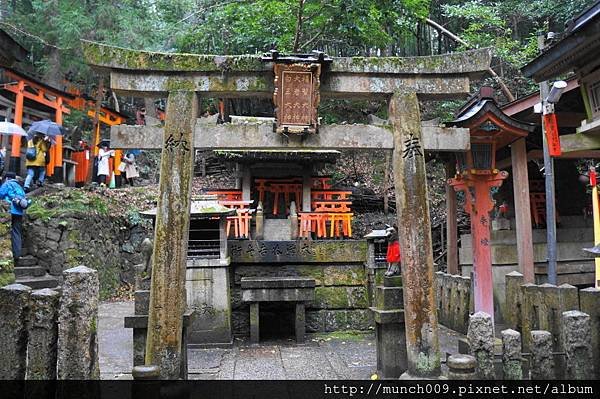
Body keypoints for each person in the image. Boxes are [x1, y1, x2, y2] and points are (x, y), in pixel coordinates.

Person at [0, 172, 30, 266]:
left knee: (7, 231)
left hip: (9, 211)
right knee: (16, 232)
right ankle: (17, 254)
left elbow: (1, 194)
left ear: (7, 178)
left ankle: (8, 253)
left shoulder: (7, 184)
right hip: (19, 213)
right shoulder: (19, 186)